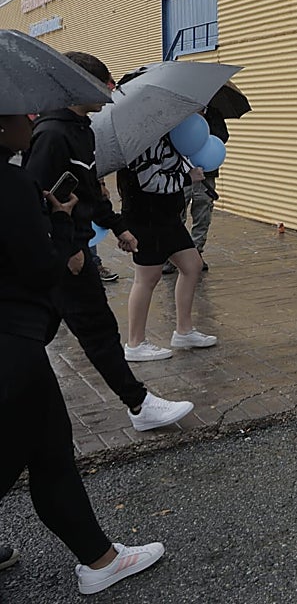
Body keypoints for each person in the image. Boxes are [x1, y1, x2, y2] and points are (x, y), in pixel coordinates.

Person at [1, 109, 167, 596]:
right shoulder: (10, 184)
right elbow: (39, 270)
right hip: (12, 343)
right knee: (42, 453)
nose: (26, 122)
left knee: (45, 450)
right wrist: (59, 225)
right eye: (15, 115)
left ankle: (100, 558)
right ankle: (101, 561)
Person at [23, 52, 193, 432]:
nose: (110, 94)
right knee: (95, 331)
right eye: (104, 86)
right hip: (67, 256)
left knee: (42, 331)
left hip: (74, 249)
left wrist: (117, 227)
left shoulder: (82, 130)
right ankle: (139, 404)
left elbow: (88, 191)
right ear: (76, 84)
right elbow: (38, 201)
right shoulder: (52, 135)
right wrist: (67, 250)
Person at [118, 134, 218, 360]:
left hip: (167, 217)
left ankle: (184, 330)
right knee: (147, 278)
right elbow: (149, 181)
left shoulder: (168, 138)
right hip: (147, 218)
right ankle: (135, 344)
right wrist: (186, 179)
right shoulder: (144, 141)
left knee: (192, 265)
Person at [165, 106, 227, 276]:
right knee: (176, 212)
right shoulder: (179, 111)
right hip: (181, 172)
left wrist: (204, 124)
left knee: (203, 212)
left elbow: (223, 137)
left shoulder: (214, 113)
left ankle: (197, 251)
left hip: (206, 172)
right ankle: (173, 255)